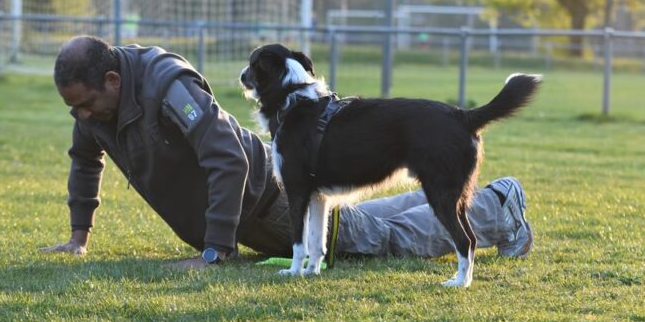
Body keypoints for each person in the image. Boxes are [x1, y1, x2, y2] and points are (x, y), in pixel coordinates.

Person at [41, 36, 533, 269]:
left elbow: (228, 159)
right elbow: (85, 159)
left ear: (111, 81)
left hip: (271, 199)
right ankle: (491, 201)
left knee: (376, 239)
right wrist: (78, 237)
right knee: (368, 223)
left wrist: (215, 250)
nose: (82, 117)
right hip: (247, 215)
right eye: (74, 109)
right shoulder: (96, 110)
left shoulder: (168, 85)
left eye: (85, 105)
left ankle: (498, 208)